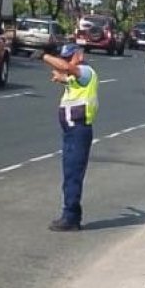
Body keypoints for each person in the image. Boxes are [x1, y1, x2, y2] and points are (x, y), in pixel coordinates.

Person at [42, 43, 99, 231]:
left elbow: (68, 69)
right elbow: (69, 77)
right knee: (69, 172)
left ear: (79, 55)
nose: (65, 62)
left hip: (79, 131)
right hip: (71, 131)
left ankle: (71, 217)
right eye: (64, 58)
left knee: (73, 174)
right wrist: (61, 79)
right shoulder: (76, 77)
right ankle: (71, 214)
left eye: (68, 58)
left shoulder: (86, 71)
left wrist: (44, 56)